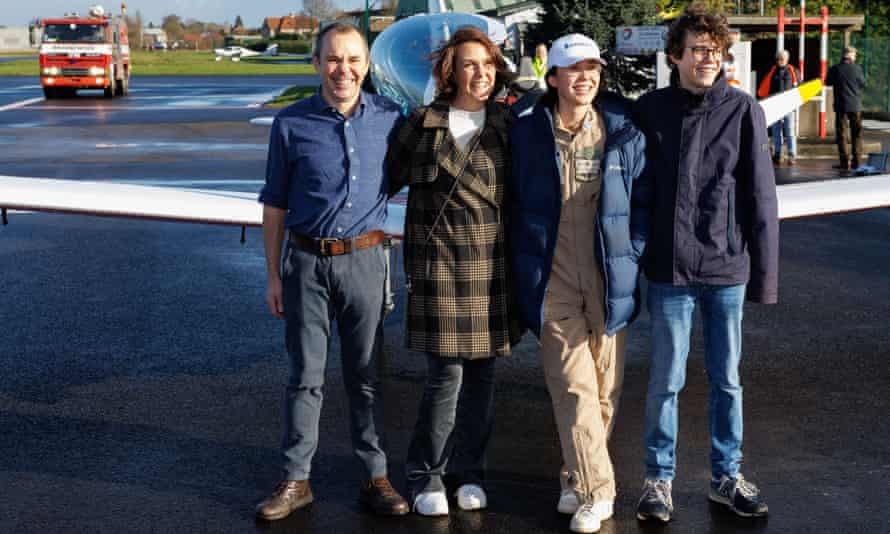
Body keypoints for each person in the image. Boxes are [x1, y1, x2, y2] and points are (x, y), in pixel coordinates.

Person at [255, 22, 409, 521]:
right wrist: (274, 275)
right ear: (317, 63)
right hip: (305, 264)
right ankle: (296, 479)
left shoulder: (391, 118)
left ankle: (376, 476)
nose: (344, 69)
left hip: (366, 261)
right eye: (333, 59)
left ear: (367, 65)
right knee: (305, 376)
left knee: (366, 375)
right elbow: (275, 204)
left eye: (353, 60)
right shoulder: (291, 124)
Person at [632, 5, 777, 523]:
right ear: (675, 56)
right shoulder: (650, 109)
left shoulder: (743, 110)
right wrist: (639, 252)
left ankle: (726, 475)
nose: (707, 59)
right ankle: (658, 479)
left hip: (726, 270)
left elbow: (762, 197)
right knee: (666, 380)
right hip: (669, 271)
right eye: (697, 50)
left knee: (727, 379)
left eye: (714, 52)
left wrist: (764, 277)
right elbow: (637, 190)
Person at [509, 34, 647, 534]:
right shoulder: (526, 134)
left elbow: (642, 199)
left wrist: (635, 251)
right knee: (573, 387)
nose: (584, 77)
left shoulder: (622, 130)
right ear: (553, 78)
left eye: (592, 68)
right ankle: (599, 492)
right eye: (573, 69)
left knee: (605, 391)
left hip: (610, 278)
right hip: (554, 280)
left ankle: (574, 477)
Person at [386, 25, 520, 517]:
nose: (480, 73)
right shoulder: (421, 124)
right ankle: (428, 476)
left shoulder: (510, 126)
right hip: (440, 270)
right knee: (445, 380)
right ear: (451, 71)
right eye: (469, 64)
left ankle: (472, 473)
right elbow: (384, 179)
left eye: (487, 64)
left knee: (483, 378)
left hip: (490, 269)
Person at [827, 46, 866, 171]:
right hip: (855, 106)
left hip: (841, 106)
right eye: (855, 55)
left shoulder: (835, 69)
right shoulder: (858, 69)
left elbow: (827, 82)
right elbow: (863, 84)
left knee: (842, 135)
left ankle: (844, 162)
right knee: (857, 134)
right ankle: (857, 161)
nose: (855, 57)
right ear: (851, 55)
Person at [758, 50, 799, 165]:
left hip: (789, 106)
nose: (780, 60)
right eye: (779, 58)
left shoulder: (793, 71)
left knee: (790, 131)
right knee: (776, 132)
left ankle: (792, 155)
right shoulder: (772, 71)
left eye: (782, 58)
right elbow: (765, 87)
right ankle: (778, 154)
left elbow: (799, 86)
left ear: (787, 59)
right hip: (775, 106)